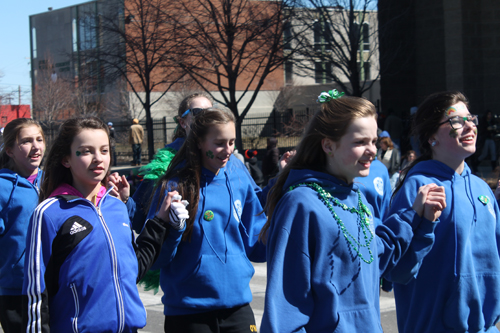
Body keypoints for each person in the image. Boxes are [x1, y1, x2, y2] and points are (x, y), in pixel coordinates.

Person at [259, 89, 446, 332]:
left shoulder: (358, 199)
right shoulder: (300, 204)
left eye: (373, 141)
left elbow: (382, 263)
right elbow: (286, 308)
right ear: (328, 145)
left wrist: (419, 219)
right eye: (359, 142)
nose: (372, 150)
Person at [23, 116, 188, 332]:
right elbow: (36, 292)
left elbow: (133, 268)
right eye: (86, 151)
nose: (98, 158)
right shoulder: (49, 213)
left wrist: (162, 221)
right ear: (66, 159)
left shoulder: (117, 207)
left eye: (104, 150)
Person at [386, 91, 500, 332]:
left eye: (471, 118)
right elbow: (395, 270)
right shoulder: (418, 188)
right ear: (431, 137)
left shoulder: (482, 189)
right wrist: (425, 227)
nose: (469, 126)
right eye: (456, 121)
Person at [147, 108, 267, 333]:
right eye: (219, 143)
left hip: (237, 306)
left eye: (232, 142)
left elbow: (257, 244)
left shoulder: (240, 178)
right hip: (188, 311)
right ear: (200, 142)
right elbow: (155, 258)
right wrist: (173, 229)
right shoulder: (174, 186)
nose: (228, 150)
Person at [0, 119, 45, 333]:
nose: (36, 146)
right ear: (9, 150)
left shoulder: (54, 180)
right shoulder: (2, 186)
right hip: (16, 290)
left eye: (39, 139)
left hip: (53, 285)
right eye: (26, 141)